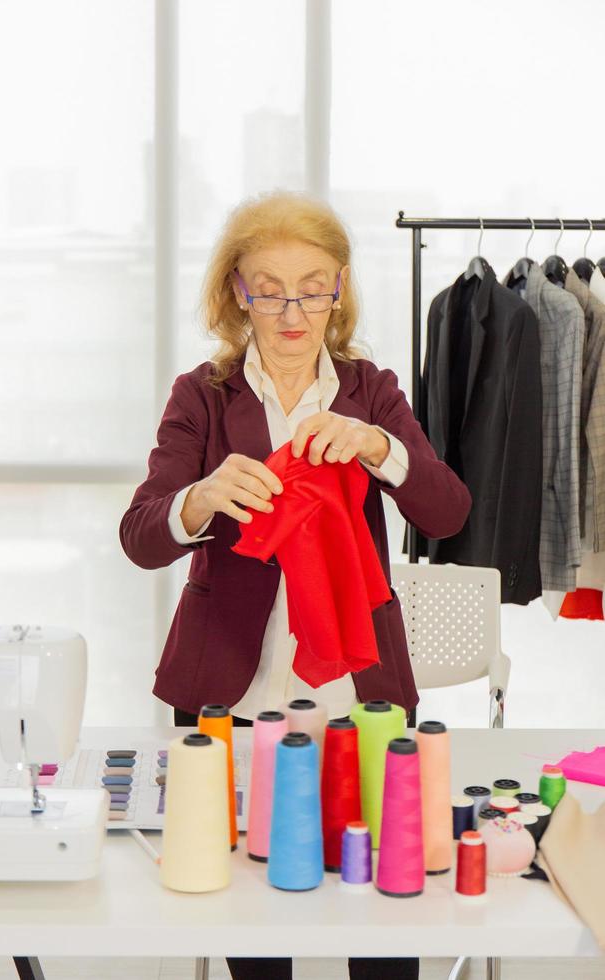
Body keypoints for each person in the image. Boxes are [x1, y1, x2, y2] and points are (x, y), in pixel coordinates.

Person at [120, 190, 472, 980]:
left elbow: (448, 513)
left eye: (313, 286)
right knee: (255, 922)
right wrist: (201, 497)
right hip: (235, 696)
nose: (291, 310)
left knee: (383, 916)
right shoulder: (201, 397)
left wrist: (380, 447)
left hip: (360, 690)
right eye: (268, 287)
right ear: (236, 290)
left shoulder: (369, 389)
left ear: (339, 289)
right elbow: (140, 537)